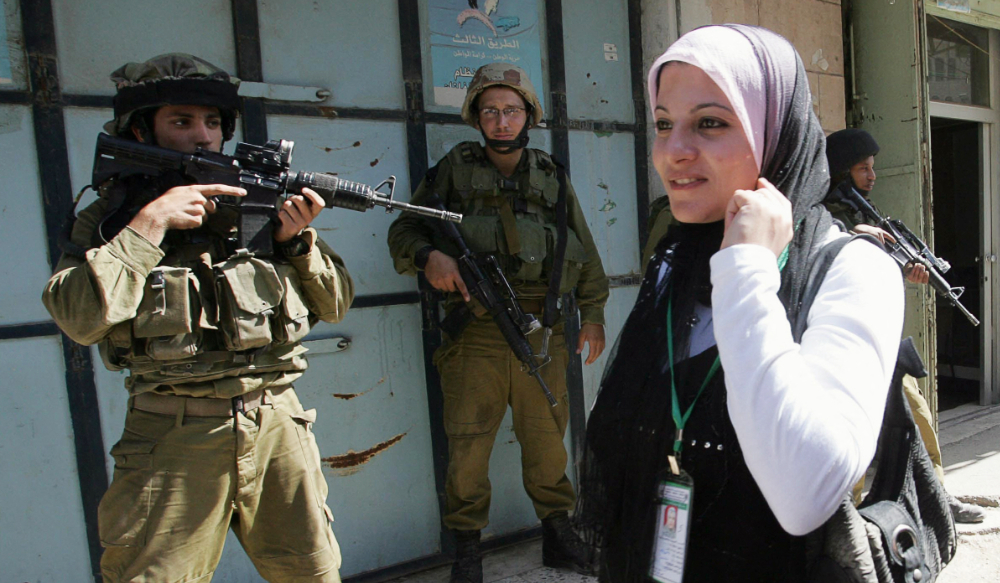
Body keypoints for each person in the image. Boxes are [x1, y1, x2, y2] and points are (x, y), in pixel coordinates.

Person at [575, 25, 906, 582]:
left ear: (775, 132)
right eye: (662, 124)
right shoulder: (678, 263)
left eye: (710, 122)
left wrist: (748, 270)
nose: (673, 151)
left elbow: (806, 493)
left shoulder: (851, 268)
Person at [41, 54, 351, 583]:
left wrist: (296, 242)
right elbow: (78, 317)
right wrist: (148, 226)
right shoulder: (111, 217)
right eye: (182, 122)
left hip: (277, 423)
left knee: (311, 574)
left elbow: (335, 304)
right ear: (141, 129)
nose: (203, 137)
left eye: (212, 123)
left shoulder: (251, 206)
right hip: (172, 434)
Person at [387, 63, 608, 581]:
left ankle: (557, 533)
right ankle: (468, 549)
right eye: (491, 111)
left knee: (547, 438)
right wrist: (428, 258)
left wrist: (593, 315)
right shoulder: (451, 171)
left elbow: (585, 250)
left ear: (528, 114)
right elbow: (404, 229)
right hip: (477, 333)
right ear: (476, 118)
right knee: (468, 443)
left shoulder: (550, 174)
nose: (502, 121)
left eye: (511, 110)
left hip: (544, 329)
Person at [824, 128, 986, 523]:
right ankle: (843, 518)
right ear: (843, 172)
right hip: (841, 342)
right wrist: (850, 235)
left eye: (873, 168)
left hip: (880, 337)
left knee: (917, 417)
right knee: (852, 435)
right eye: (863, 168)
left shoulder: (865, 212)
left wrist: (906, 270)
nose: (872, 176)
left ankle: (937, 499)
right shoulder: (821, 215)